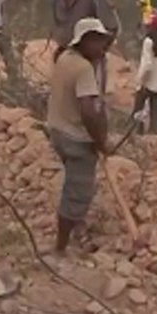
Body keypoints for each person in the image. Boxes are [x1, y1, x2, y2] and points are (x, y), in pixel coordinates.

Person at [46, 17, 114, 255]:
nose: (101, 47)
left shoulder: (64, 58)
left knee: (74, 182)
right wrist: (101, 141)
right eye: (95, 41)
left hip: (57, 130)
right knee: (78, 192)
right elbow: (88, 111)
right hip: (75, 139)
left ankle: (77, 226)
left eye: (102, 41)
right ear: (83, 41)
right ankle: (60, 248)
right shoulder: (84, 68)